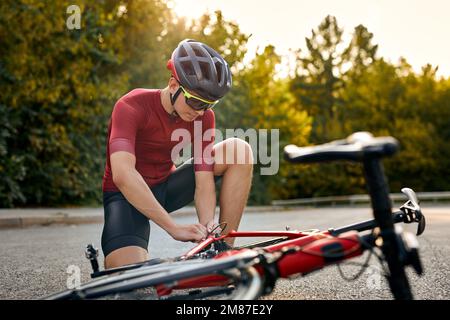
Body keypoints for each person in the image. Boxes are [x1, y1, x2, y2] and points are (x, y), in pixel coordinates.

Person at [101, 39, 254, 269]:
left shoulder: (202, 117)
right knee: (126, 276)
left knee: (239, 150)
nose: (200, 111)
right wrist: (174, 228)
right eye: (194, 101)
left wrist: (208, 228)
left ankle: (222, 251)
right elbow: (123, 175)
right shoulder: (131, 106)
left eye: (208, 105)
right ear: (173, 85)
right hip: (124, 197)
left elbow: (203, 181)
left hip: (165, 188)